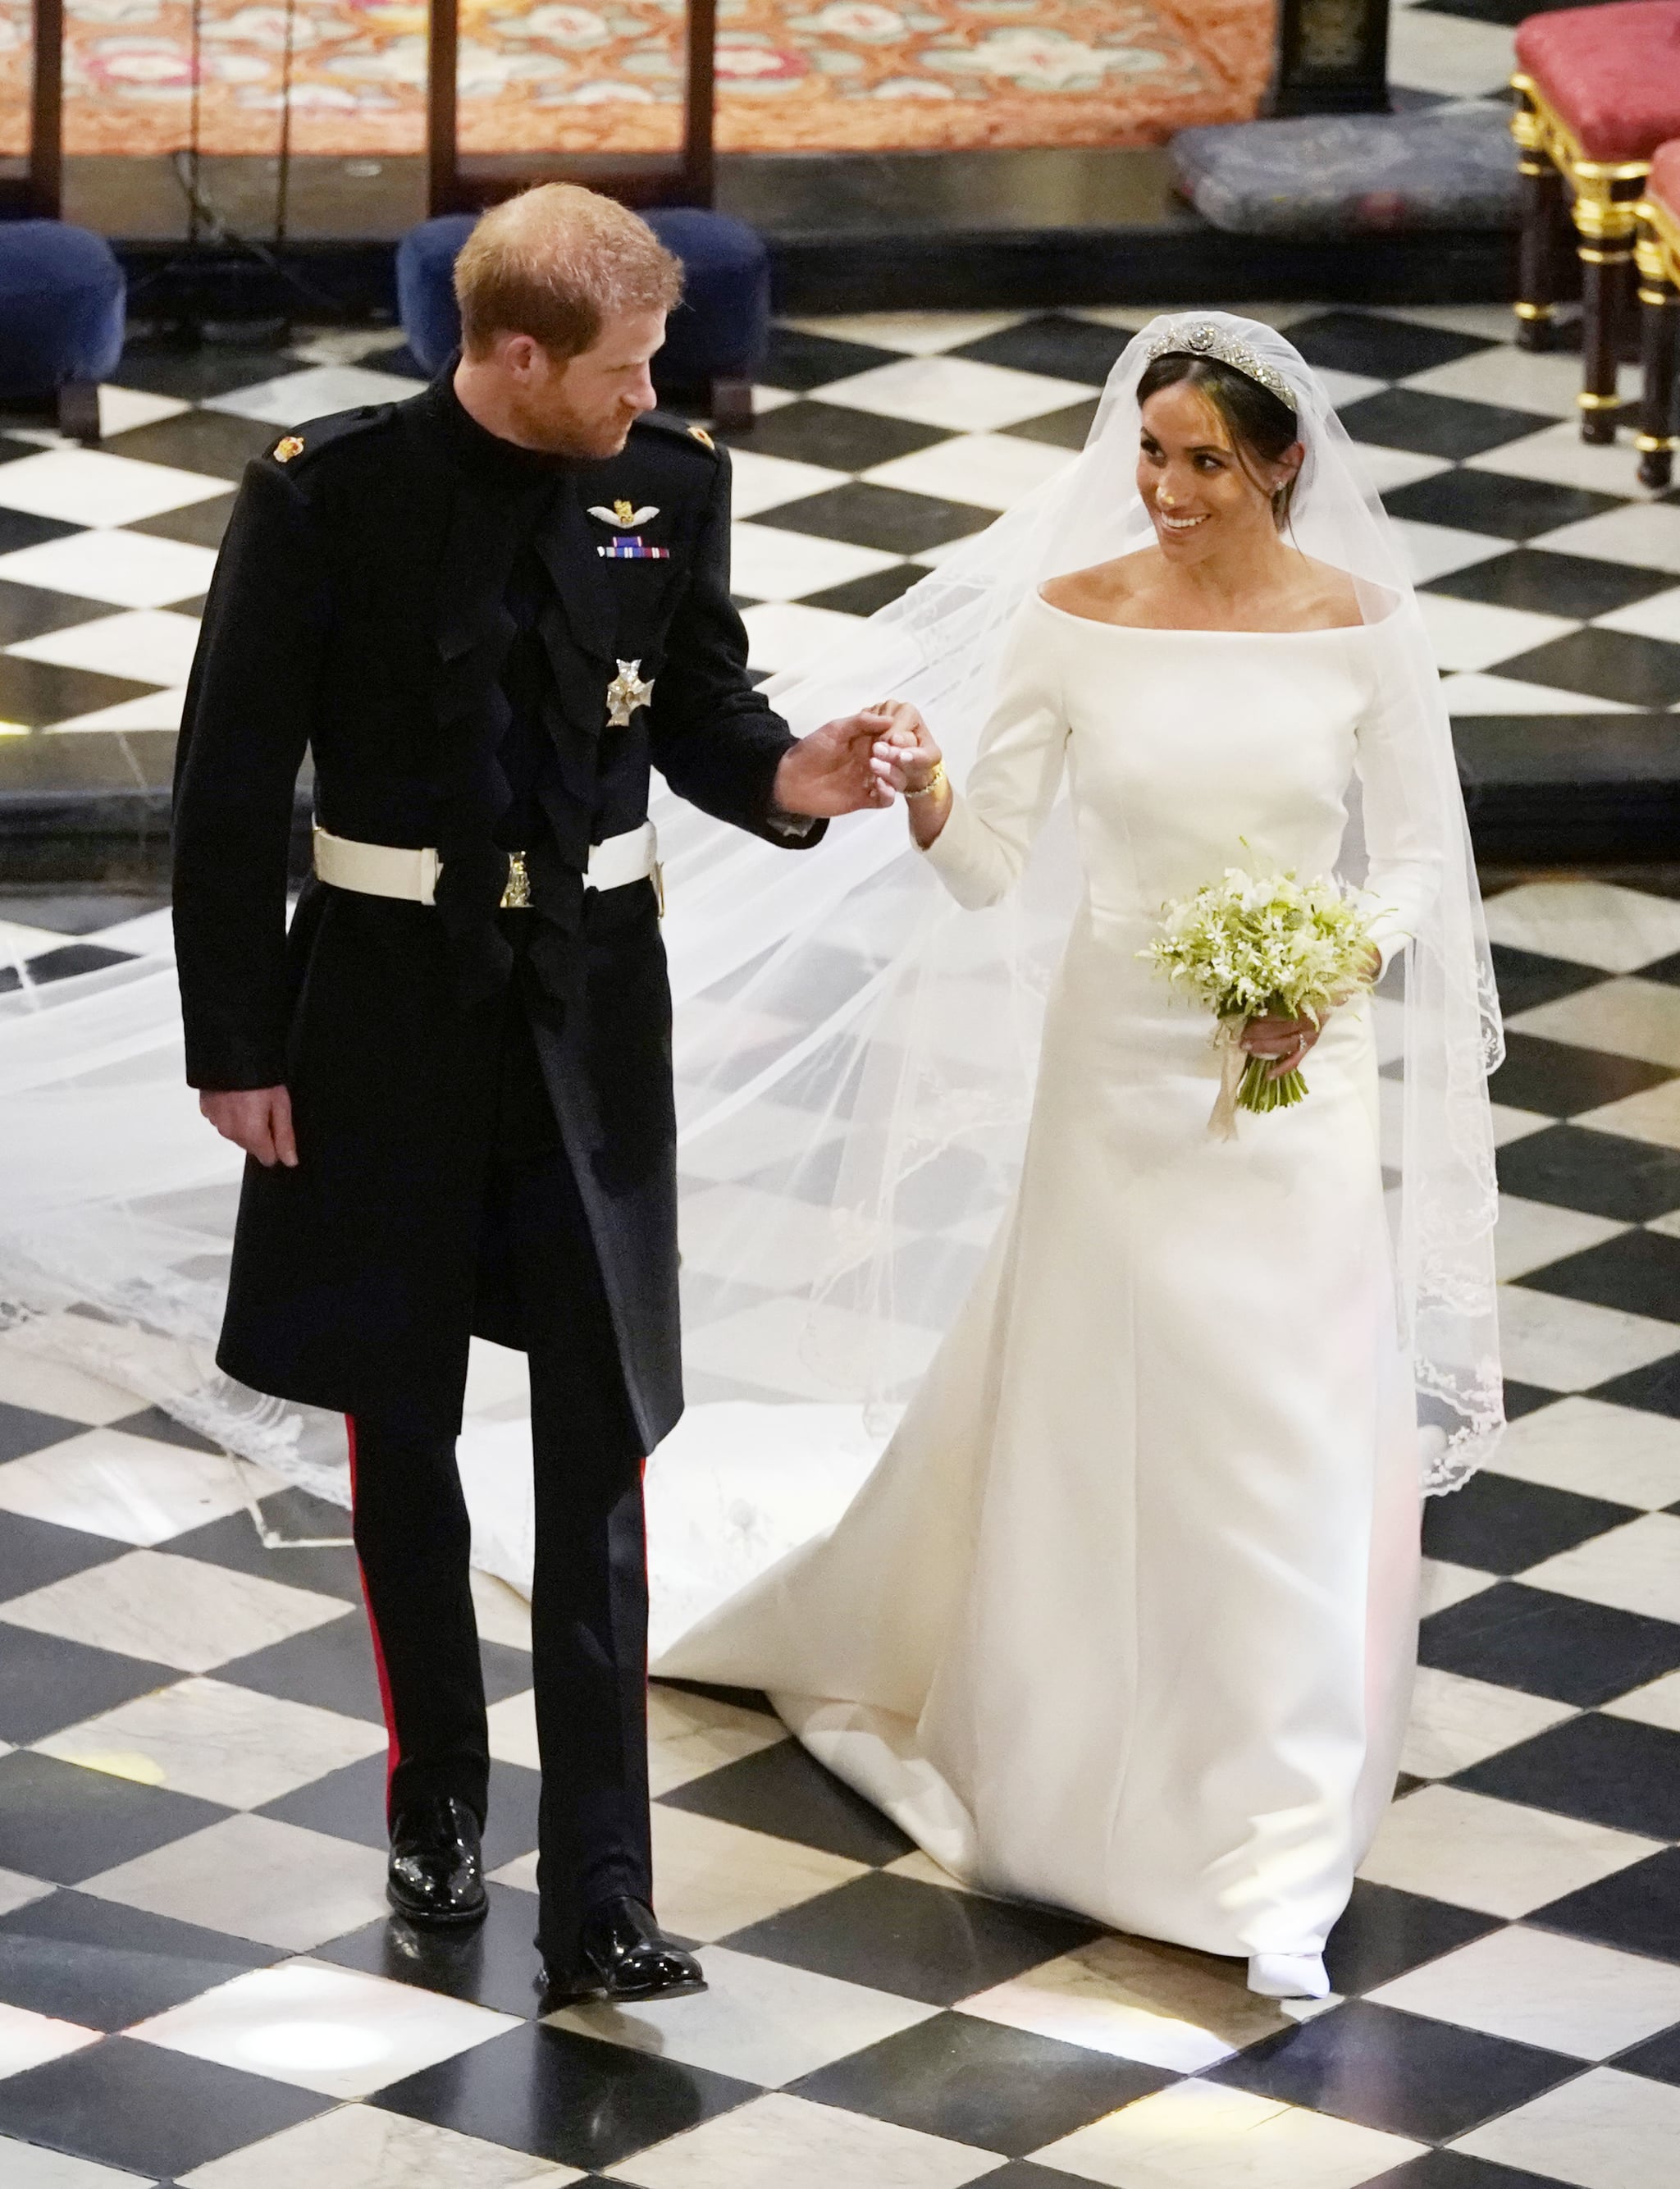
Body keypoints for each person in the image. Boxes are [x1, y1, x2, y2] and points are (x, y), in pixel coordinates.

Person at [654, 316, 1504, 2003]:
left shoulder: (1361, 632)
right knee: (1111, 1409)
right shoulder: (1076, 617)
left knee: (1277, 1423)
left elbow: (1413, 861)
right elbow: (991, 871)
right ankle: (1083, 1753)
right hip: (1113, 1067)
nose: (1164, 487)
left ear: (1278, 465)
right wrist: (927, 791)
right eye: (1150, 451)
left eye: (1201, 458)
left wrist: (1326, 965)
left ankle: (1269, 1830)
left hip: (1292, 1074)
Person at [171, 183, 899, 2006]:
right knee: (398, 1419)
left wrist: (793, 777)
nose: (657, 394)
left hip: (592, 1016)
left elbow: (703, 706)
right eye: (629, 365)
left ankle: (603, 1885)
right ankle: (434, 1802)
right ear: (513, 353)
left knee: (601, 1439)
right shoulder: (324, 496)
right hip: (381, 1015)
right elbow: (228, 777)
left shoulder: (669, 488)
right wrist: (238, 1042)